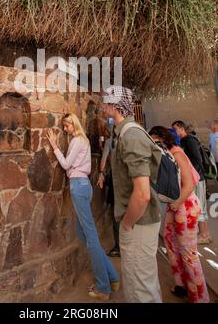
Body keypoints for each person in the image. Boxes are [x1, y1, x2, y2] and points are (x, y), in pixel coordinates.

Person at [47, 113, 120, 301]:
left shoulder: (77, 141)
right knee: (83, 233)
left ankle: (103, 287)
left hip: (78, 185)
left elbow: (65, 164)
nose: (65, 129)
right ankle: (112, 276)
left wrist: (54, 146)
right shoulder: (83, 140)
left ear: (74, 124)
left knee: (91, 237)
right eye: (63, 126)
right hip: (83, 185)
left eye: (67, 126)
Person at [102, 86, 163, 303]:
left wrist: (127, 222)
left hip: (138, 222)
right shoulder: (123, 132)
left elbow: (143, 194)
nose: (102, 104)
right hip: (138, 220)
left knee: (141, 289)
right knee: (142, 282)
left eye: (105, 100)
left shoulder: (131, 135)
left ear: (114, 105)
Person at [149, 126, 210, 303]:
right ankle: (182, 286)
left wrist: (175, 205)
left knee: (188, 254)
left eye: (154, 140)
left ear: (162, 139)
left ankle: (200, 298)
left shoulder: (177, 154)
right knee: (171, 243)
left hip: (186, 205)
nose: (153, 144)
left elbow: (189, 185)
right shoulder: (168, 154)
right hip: (176, 205)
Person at [172, 121, 212, 244]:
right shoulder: (183, 141)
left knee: (200, 206)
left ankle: (204, 234)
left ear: (181, 128)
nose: (173, 132)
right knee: (198, 205)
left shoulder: (189, 140)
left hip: (197, 178)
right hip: (194, 178)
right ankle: (203, 233)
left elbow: (197, 159)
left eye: (174, 129)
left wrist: (191, 174)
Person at [97, 119, 120, 257]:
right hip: (128, 183)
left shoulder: (110, 141)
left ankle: (118, 246)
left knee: (116, 214)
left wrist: (101, 173)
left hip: (116, 181)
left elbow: (104, 158)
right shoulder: (125, 139)